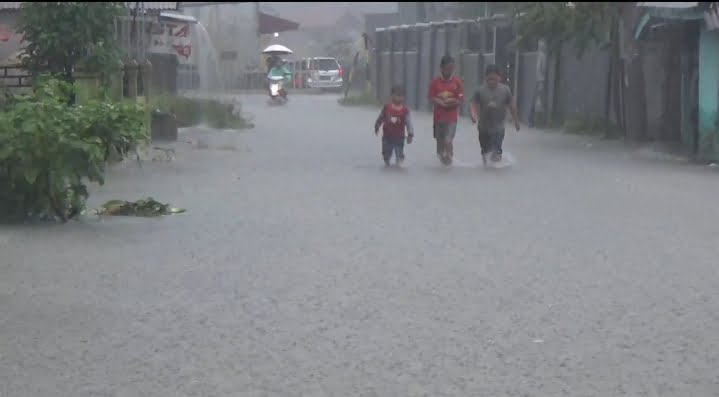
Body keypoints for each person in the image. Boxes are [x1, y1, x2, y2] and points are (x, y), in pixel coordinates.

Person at [470, 64, 521, 164]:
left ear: (499, 78)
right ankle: (486, 168)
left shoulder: (505, 90)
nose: (491, 82)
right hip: (483, 126)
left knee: (496, 152)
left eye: (494, 79)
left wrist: (516, 121)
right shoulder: (480, 90)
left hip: (499, 126)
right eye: (489, 79)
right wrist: (473, 115)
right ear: (485, 78)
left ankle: (496, 168)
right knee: (485, 152)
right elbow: (473, 104)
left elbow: (512, 106)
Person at [427, 55, 464, 165]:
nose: (449, 71)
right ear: (441, 68)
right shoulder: (435, 82)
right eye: (447, 68)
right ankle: (443, 163)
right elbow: (430, 98)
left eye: (451, 69)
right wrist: (439, 102)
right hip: (438, 118)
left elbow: (460, 99)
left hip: (451, 118)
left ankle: (450, 158)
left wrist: (451, 102)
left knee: (448, 140)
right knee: (439, 147)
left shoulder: (457, 82)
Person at [374, 85, 415, 167]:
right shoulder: (386, 108)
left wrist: (410, 134)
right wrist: (377, 126)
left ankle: (399, 163)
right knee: (386, 154)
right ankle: (387, 164)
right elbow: (381, 118)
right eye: (396, 96)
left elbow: (409, 123)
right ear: (391, 96)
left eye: (401, 96)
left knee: (399, 153)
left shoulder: (405, 111)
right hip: (387, 137)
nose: (398, 98)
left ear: (404, 98)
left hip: (399, 137)